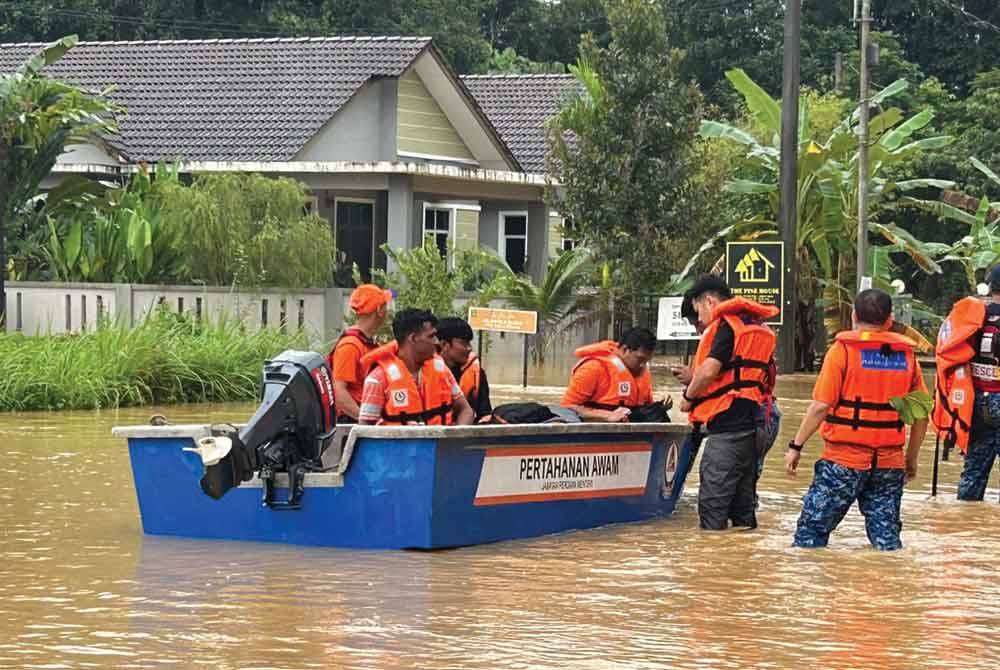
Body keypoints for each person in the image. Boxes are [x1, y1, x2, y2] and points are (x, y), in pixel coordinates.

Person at [785, 288, 928, 550]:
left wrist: (796, 446)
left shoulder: (842, 352)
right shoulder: (907, 357)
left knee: (810, 536)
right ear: (889, 320)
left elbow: (820, 407)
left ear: (853, 316)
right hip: (889, 463)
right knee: (887, 542)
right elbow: (921, 416)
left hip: (843, 462)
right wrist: (911, 458)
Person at [676, 275, 778, 530]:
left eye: (698, 311)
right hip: (755, 426)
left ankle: (713, 565)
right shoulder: (760, 328)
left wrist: (689, 398)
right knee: (742, 510)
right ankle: (742, 562)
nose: (699, 319)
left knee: (713, 508)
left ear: (709, 302)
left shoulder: (725, 326)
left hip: (727, 428)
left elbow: (710, 370)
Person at [933, 265, 1000, 501]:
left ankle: (967, 516)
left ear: (990, 286)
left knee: (973, 472)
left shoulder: (972, 316)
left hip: (974, 403)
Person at [358, 308, 474, 426]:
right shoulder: (378, 379)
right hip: (399, 444)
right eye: (431, 336)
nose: (436, 342)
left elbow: (466, 410)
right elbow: (365, 429)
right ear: (413, 338)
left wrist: (455, 440)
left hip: (441, 444)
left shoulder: (442, 370)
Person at [561, 327, 667, 422]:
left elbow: (644, 407)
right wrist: (605, 415)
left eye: (647, 361)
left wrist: (657, 408)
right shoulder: (593, 368)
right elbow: (566, 409)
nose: (643, 365)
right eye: (640, 359)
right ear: (625, 350)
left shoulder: (642, 371)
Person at [327, 284, 391, 423]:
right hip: (351, 422)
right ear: (379, 310)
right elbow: (339, 394)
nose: (388, 311)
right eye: (385, 306)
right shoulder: (350, 345)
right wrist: (366, 422)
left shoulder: (368, 342)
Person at [436, 316, 493, 420]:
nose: (469, 348)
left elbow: (485, 414)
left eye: (469, 343)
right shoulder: (424, 371)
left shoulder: (478, 374)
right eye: (464, 343)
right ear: (444, 345)